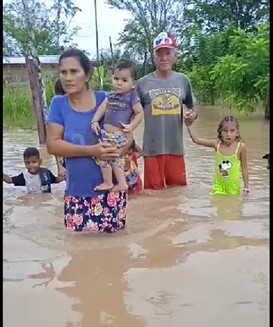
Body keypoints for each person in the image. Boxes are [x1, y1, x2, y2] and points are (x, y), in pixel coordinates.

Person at [46, 48, 132, 233]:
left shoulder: (106, 99)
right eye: (64, 72)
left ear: (87, 75)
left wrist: (121, 148)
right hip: (77, 193)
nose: (68, 77)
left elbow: (126, 130)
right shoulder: (58, 104)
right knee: (78, 252)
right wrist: (92, 151)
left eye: (74, 71)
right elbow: (53, 145)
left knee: (116, 251)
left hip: (110, 192)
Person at [137, 31, 198, 190]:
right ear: (154, 57)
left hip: (176, 148)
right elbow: (131, 114)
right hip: (152, 150)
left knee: (177, 195)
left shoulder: (183, 80)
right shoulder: (142, 84)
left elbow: (192, 107)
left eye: (168, 53)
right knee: (154, 196)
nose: (164, 58)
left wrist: (192, 116)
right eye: (159, 54)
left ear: (175, 55)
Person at [91, 59, 144, 192]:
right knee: (110, 158)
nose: (119, 83)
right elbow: (102, 107)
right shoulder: (111, 95)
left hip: (118, 135)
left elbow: (139, 113)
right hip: (107, 135)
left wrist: (132, 126)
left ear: (133, 84)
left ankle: (112, 182)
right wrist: (95, 120)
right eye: (116, 79)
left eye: (124, 80)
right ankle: (117, 182)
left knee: (108, 157)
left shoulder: (132, 96)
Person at [186, 115, 250, 195]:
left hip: (233, 187)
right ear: (220, 132)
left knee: (234, 206)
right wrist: (189, 125)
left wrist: (246, 187)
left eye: (232, 131)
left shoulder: (240, 147)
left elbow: (244, 168)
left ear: (237, 133)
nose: (228, 134)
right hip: (218, 186)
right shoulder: (217, 144)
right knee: (218, 205)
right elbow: (197, 140)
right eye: (225, 131)